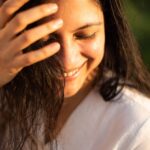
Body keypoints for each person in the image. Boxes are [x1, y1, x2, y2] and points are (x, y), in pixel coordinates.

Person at [0, 0, 150, 149]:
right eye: (45, 40)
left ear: (108, 25)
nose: (67, 61)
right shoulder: (11, 91)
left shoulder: (137, 130)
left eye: (85, 35)